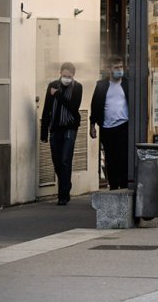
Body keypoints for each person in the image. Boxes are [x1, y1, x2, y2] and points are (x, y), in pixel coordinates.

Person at [40, 62, 84, 205]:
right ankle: (66, 183)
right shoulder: (52, 85)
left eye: (69, 76)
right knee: (56, 161)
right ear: (60, 73)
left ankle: (63, 196)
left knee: (65, 159)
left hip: (69, 127)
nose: (66, 78)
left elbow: (73, 107)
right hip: (55, 127)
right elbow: (47, 108)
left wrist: (58, 95)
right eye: (64, 76)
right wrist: (43, 132)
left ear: (73, 76)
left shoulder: (78, 87)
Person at [90, 56, 130, 190]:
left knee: (123, 157)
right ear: (109, 70)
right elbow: (95, 105)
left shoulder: (127, 84)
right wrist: (92, 125)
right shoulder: (101, 85)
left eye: (121, 67)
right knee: (111, 159)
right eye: (116, 68)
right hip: (107, 127)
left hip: (123, 126)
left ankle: (124, 185)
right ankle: (113, 185)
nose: (120, 70)